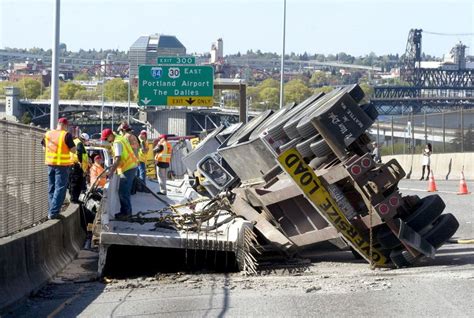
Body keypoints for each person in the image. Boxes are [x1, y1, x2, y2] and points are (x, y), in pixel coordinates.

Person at [43, 118, 77, 219]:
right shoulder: (66, 135)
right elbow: (74, 150)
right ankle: (53, 212)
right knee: (60, 188)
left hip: (50, 163)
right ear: (66, 125)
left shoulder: (48, 134)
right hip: (62, 165)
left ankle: (51, 211)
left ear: (58, 124)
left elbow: (44, 148)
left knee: (51, 188)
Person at [101, 128, 138, 219]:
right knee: (124, 191)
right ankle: (126, 211)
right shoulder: (119, 138)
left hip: (128, 168)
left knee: (123, 192)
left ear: (110, 136)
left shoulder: (117, 142)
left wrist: (111, 172)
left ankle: (126, 213)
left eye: (106, 139)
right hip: (130, 167)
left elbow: (118, 159)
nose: (106, 141)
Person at [69, 132, 89, 203]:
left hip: (73, 165)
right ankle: (74, 199)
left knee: (74, 182)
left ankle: (74, 198)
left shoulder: (75, 141)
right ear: (84, 140)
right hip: (77, 165)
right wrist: (80, 162)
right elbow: (79, 153)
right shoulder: (79, 143)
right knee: (76, 183)